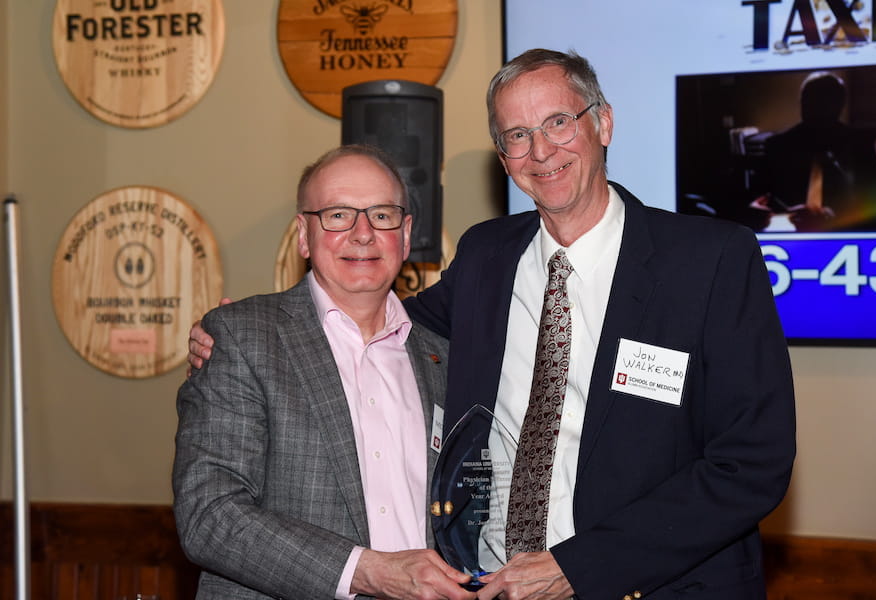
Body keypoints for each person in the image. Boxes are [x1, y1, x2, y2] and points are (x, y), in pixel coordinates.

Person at [191, 49, 796, 599]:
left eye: (559, 122)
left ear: (602, 123)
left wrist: (579, 568)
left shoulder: (710, 259)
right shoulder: (487, 257)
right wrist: (244, 332)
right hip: (491, 586)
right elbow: (376, 318)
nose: (541, 151)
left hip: (657, 587)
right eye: (517, 135)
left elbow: (752, 463)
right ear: (504, 158)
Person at [173, 145, 475, 600]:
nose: (362, 234)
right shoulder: (244, 338)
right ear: (302, 235)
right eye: (337, 215)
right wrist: (368, 571)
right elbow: (209, 515)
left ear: (406, 233)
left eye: (382, 215)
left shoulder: (445, 359)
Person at [763, 70, 876, 232]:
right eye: (808, 102)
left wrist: (832, 215)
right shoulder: (778, 145)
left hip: (844, 229)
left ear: (839, 106)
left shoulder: (859, 144)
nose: (813, 110)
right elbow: (763, 199)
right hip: (790, 231)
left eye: (822, 103)